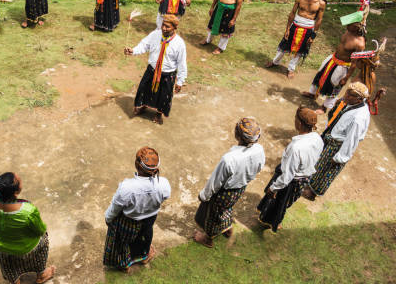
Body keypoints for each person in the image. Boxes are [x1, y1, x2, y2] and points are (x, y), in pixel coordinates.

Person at [193, 118, 264, 248]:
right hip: (240, 188)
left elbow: (215, 182)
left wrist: (204, 196)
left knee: (213, 214)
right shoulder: (259, 150)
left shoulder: (229, 159)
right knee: (227, 207)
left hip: (224, 192)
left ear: (236, 135)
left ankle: (207, 239)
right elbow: (259, 168)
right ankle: (227, 228)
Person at [0, 173, 56, 284]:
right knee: (43, 241)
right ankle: (41, 275)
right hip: (28, 248)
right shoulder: (28, 212)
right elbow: (40, 230)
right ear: (16, 192)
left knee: (8, 267)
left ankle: (15, 281)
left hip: (2, 249)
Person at [103, 147, 170, 272]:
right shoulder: (164, 184)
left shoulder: (127, 187)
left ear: (136, 165)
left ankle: (124, 264)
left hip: (128, 221)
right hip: (149, 219)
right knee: (145, 236)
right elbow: (165, 196)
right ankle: (144, 256)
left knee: (123, 242)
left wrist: (108, 218)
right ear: (156, 167)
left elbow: (115, 208)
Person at [257, 108, 322, 232]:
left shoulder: (295, 147)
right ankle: (275, 219)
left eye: (295, 119)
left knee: (277, 203)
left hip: (290, 182)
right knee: (285, 203)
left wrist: (274, 188)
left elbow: (287, 176)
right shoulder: (317, 138)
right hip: (304, 179)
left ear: (299, 123)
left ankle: (270, 220)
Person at [302, 82, 371, 200]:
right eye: (347, 92)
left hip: (338, 146)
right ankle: (309, 182)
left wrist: (340, 157)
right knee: (319, 164)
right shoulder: (352, 104)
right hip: (332, 137)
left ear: (359, 99)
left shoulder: (358, 118)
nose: (346, 96)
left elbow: (352, 140)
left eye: (350, 95)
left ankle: (313, 192)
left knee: (327, 170)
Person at [124, 15, 187, 124]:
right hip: (152, 70)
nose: (163, 28)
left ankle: (158, 114)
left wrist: (180, 81)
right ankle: (143, 106)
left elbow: (182, 63)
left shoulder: (179, 43)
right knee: (144, 89)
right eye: (163, 25)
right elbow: (144, 45)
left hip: (167, 74)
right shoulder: (155, 34)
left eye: (167, 27)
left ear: (174, 28)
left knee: (163, 96)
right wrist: (133, 51)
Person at [301, 7, 367, 112]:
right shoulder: (348, 31)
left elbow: (354, 64)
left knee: (334, 86)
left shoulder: (360, 44)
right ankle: (312, 93)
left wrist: (346, 77)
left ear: (356, 26)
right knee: (320, 75)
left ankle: (325, 107)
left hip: (342, 67)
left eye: (350, 24)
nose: (347, 26)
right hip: (332, 59)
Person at [266, 0, 327, 78]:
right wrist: (287, 29)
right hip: (295, 25)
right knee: (284, 45)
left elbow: (319, 20)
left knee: (300, 51)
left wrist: (313, 35)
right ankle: (275, 62)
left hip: (308, 29)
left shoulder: (321, 3)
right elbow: (292, 14)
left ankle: (291, 68)